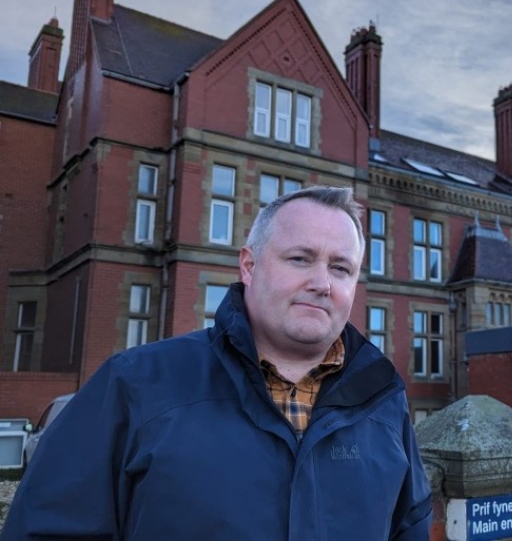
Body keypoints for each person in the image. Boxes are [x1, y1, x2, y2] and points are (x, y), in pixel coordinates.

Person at [3, 185, 433, 540]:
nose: (322, 283)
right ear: (249, 265)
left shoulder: (382, 399)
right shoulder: (136, 384)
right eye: (300, 259)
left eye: (340, 268)